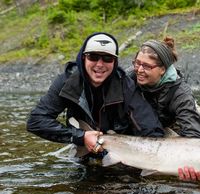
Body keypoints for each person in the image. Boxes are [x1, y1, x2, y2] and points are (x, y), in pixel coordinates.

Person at [27, 32, 164, 162]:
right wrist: (81, 136)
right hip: (82, 146)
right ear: (83, 58)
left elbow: (151, 130)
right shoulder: (67, 82)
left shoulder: (126, 86)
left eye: (107, 58)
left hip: (120, 152)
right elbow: (36, 121)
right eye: (93, 57)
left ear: (114, 62)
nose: (100, 64)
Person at [128, 36, 200, 181]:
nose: (140, 70)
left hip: (171, 125)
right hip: (142, 122)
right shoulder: (129, 76)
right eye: (137, 63)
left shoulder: (180, 93)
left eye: (147, 66)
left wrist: (189, 164)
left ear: (162, 69)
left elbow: (192, 134)